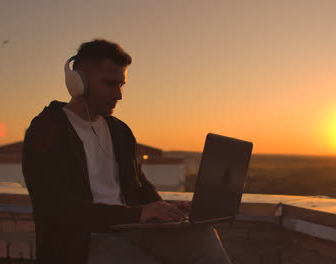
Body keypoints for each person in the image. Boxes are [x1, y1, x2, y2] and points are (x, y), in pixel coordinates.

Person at [21, 39, 232, 264]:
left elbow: (139, 186)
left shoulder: (119, 131)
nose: (118, 95)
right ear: (78, 82)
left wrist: (166, 210)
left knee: (202, 236)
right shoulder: (47, 129)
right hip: (82, 240)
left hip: (130, 227)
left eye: (121, 85)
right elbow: (57, 208)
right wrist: (138, 214)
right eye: (110, 84)